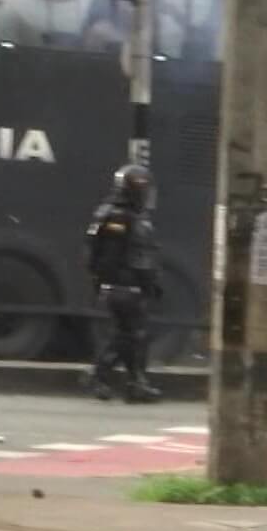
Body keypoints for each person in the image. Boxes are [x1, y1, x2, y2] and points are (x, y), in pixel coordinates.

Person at [83, 164, 163, 403]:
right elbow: (129, 256)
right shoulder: (124, 217)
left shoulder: (109, 213)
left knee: (129, 333)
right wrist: (147, 283)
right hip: (125, 285)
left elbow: (94, 253)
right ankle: (101, 375)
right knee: (131, 335)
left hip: (116, 285)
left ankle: (135, 382)